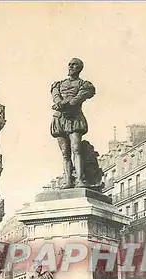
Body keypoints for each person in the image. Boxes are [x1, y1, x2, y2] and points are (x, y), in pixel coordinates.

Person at [50, 58, 96, 188]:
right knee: (65, 152)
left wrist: (64, 102)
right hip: (60, 118)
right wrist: (60, 102)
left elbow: (77, 99)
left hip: (74, 117)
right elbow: (56, 97)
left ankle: (80, 180)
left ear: (79, 68)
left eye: (74, 65)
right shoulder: (58, 84)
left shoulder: (84, 85)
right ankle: (68, 181)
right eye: (69, 64)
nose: (71, 67)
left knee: (76, 148)